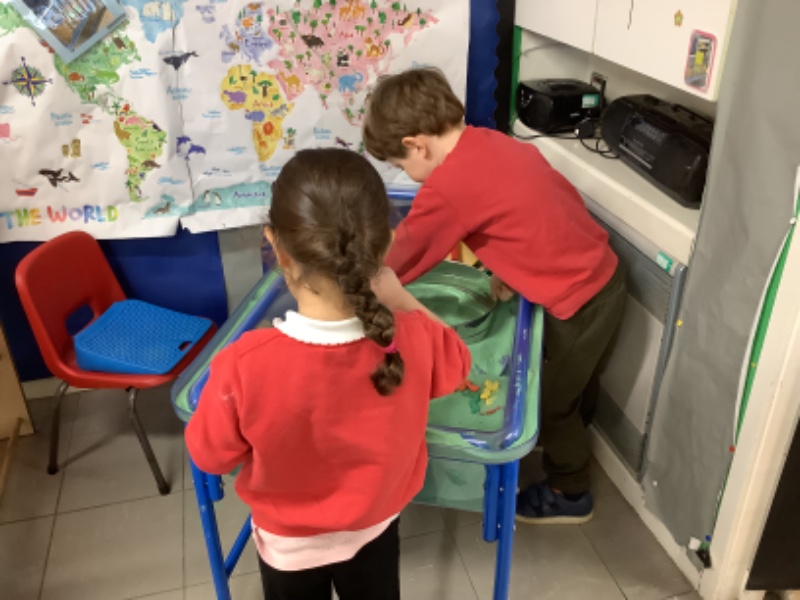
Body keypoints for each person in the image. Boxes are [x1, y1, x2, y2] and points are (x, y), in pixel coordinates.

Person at [185, 148, 471, 600]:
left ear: (277, 247)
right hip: (376, 524)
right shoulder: (414, 337)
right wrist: (399, 298)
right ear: (385, 244)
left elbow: (210, 456)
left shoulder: (243, 364)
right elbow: (458, 361)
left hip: (289, 545)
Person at [363, 67, 627, 524]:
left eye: (402, 166)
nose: (410, 175)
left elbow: (405, 252)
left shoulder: (450, 185)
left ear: (416, 145)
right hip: (604, 276)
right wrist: (512, 269)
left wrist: (364, 283)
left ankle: (570, 490)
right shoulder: (494, 142)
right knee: (579, 383)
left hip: (579, 300)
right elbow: (536, 215)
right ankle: (568, 435)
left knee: (554, 402)